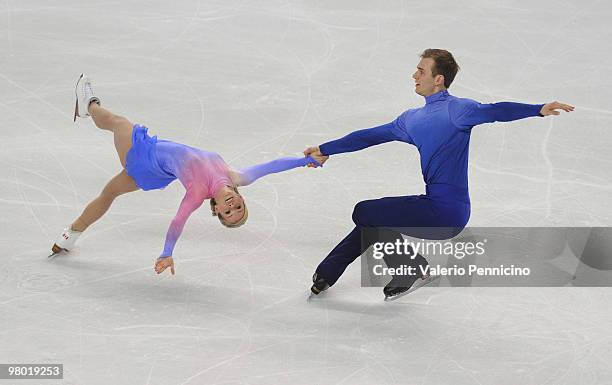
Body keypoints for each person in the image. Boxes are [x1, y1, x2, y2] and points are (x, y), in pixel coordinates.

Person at [305, 48, 574, 299]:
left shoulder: (458, 110)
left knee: (364, 212)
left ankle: (412, 268)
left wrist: (536, 109)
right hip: (433, 206)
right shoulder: (409, 120)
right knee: (372, 218)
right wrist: (326, 148)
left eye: (421, 71)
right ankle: (327, 274)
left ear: (438, 79)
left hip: (447, 212)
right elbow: (368, 137)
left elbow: (495, 110)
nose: (414, 75)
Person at [51, 74, 319, 275]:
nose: (231, 207)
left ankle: (89, 105)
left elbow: (178, 222)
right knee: (109, 193)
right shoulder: (237, 177)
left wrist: (167, 253)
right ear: (240, 198)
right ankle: (70, 236)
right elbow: (272, 166)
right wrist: (303, 160)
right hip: (155, 171)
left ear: (216, 210)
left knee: (119, 123)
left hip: (145, 155)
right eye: (238, 208)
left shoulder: (197, 193)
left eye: (228, 213)